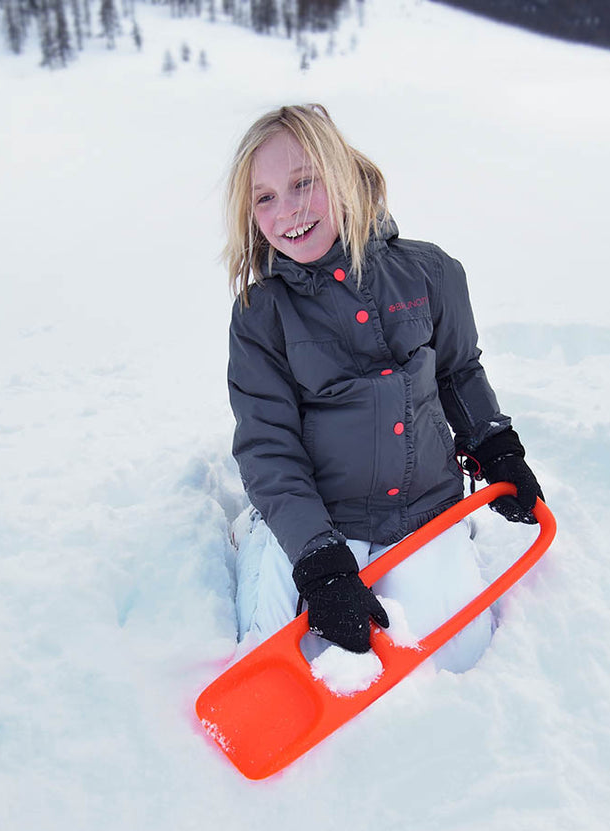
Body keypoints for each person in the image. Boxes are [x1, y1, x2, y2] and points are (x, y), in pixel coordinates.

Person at [223, 103, 543, 670]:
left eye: (303, 182)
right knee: (287, 664)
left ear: (342, 174)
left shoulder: (431, 273)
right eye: (265, 197)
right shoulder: (261, 316)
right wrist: (319, 559)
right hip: (322, 523)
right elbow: (268, 446)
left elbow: (458, 372)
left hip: (421, 512)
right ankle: (264, 538)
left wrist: (497, 448)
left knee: (458, 658)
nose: (287, 210)